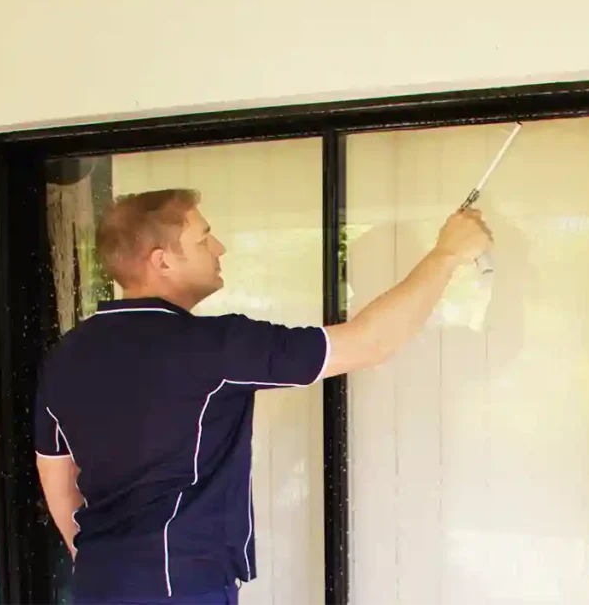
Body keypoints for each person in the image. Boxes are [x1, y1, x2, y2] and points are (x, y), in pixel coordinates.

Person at [34, 188, 493, 605]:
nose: (219, 248)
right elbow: (369, 343)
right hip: (182, 589)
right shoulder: (216, 346)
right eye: (203, 239)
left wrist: (115, 565)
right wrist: (447, 254)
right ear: (162, 260)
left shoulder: (66, 356)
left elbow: (58, 483)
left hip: (97, 584)